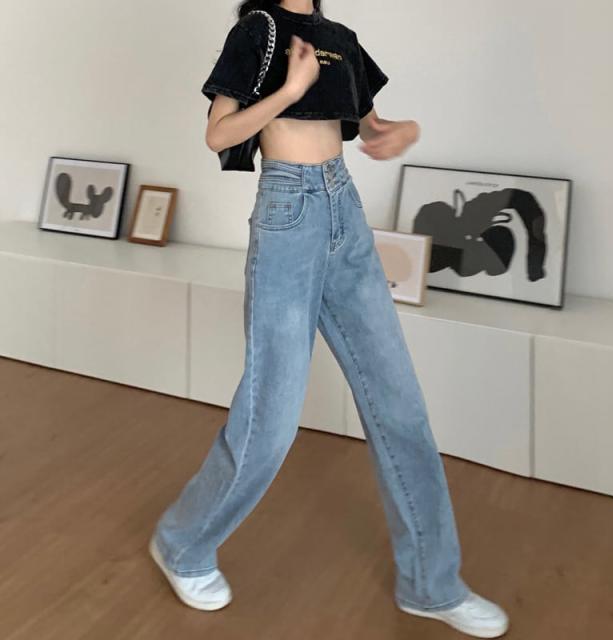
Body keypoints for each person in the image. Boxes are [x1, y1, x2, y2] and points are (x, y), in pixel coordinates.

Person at [149, 1, 509, 637]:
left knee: (400, 407)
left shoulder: (339, 37)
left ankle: (431, 584)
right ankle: (181, 543)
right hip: (287, 213)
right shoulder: (257, 31)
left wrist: (398, 132)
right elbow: (219, 134)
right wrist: (289, 91)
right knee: (270, 421)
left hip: (345, 209)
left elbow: (369, 125)